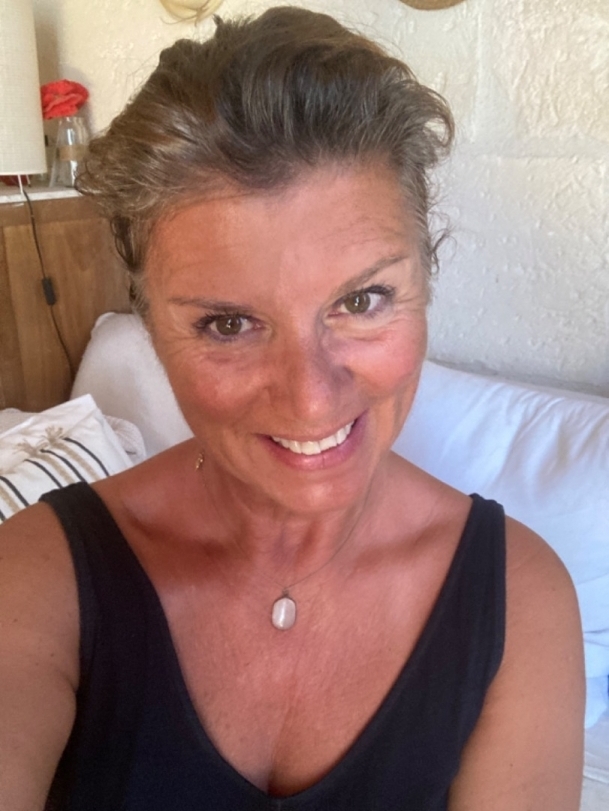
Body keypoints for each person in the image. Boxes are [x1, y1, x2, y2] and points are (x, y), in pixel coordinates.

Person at [0, 7, 584, 810]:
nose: (310, 396)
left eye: (361, 299)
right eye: (227, 324)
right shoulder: (37, 577)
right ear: (150, 325)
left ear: (424, 283)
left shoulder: (519, 599)